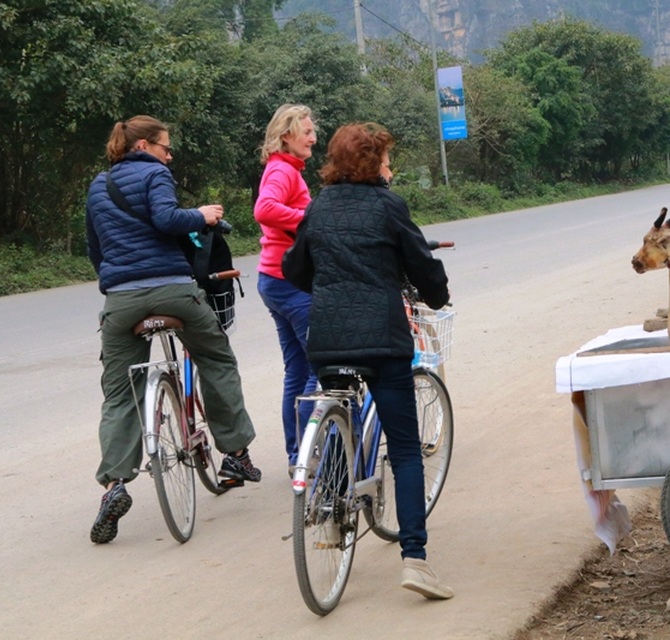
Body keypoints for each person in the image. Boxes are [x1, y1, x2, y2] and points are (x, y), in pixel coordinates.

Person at [283, 122, 453, 600]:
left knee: (340, 413)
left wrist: (331, 291)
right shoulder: (387, 206)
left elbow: (295, 269)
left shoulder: (317, 208)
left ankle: (333, 522)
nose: (390, 167)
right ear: (372, 162)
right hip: (383, 339)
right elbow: (421, 263)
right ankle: (415, 559)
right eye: (385, 159)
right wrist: (436, 296)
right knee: (404, 449)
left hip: (329, 339)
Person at [85, 115, 261, 544]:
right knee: (216, 357)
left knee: (121, 391)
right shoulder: (155, 174)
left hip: (122, 301)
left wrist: (118, 282)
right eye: (166, 146)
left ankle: (114, 486)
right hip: (174, 291)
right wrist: (201, 214)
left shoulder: (97, 186)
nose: (170, 153)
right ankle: (235, 453)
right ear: (143, 146)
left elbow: (95, 248)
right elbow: (166, 219)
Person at [254, 104, 320, 475]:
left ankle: (298, 457)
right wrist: (309, 221)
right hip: (290, 282)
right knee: (319, 369)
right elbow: (264, 210)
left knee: (296, 371)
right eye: (306, 132)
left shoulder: (285, 169)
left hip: (274, 280)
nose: (313, 138)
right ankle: (311, 456)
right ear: (286, 137)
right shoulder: (282, 170)